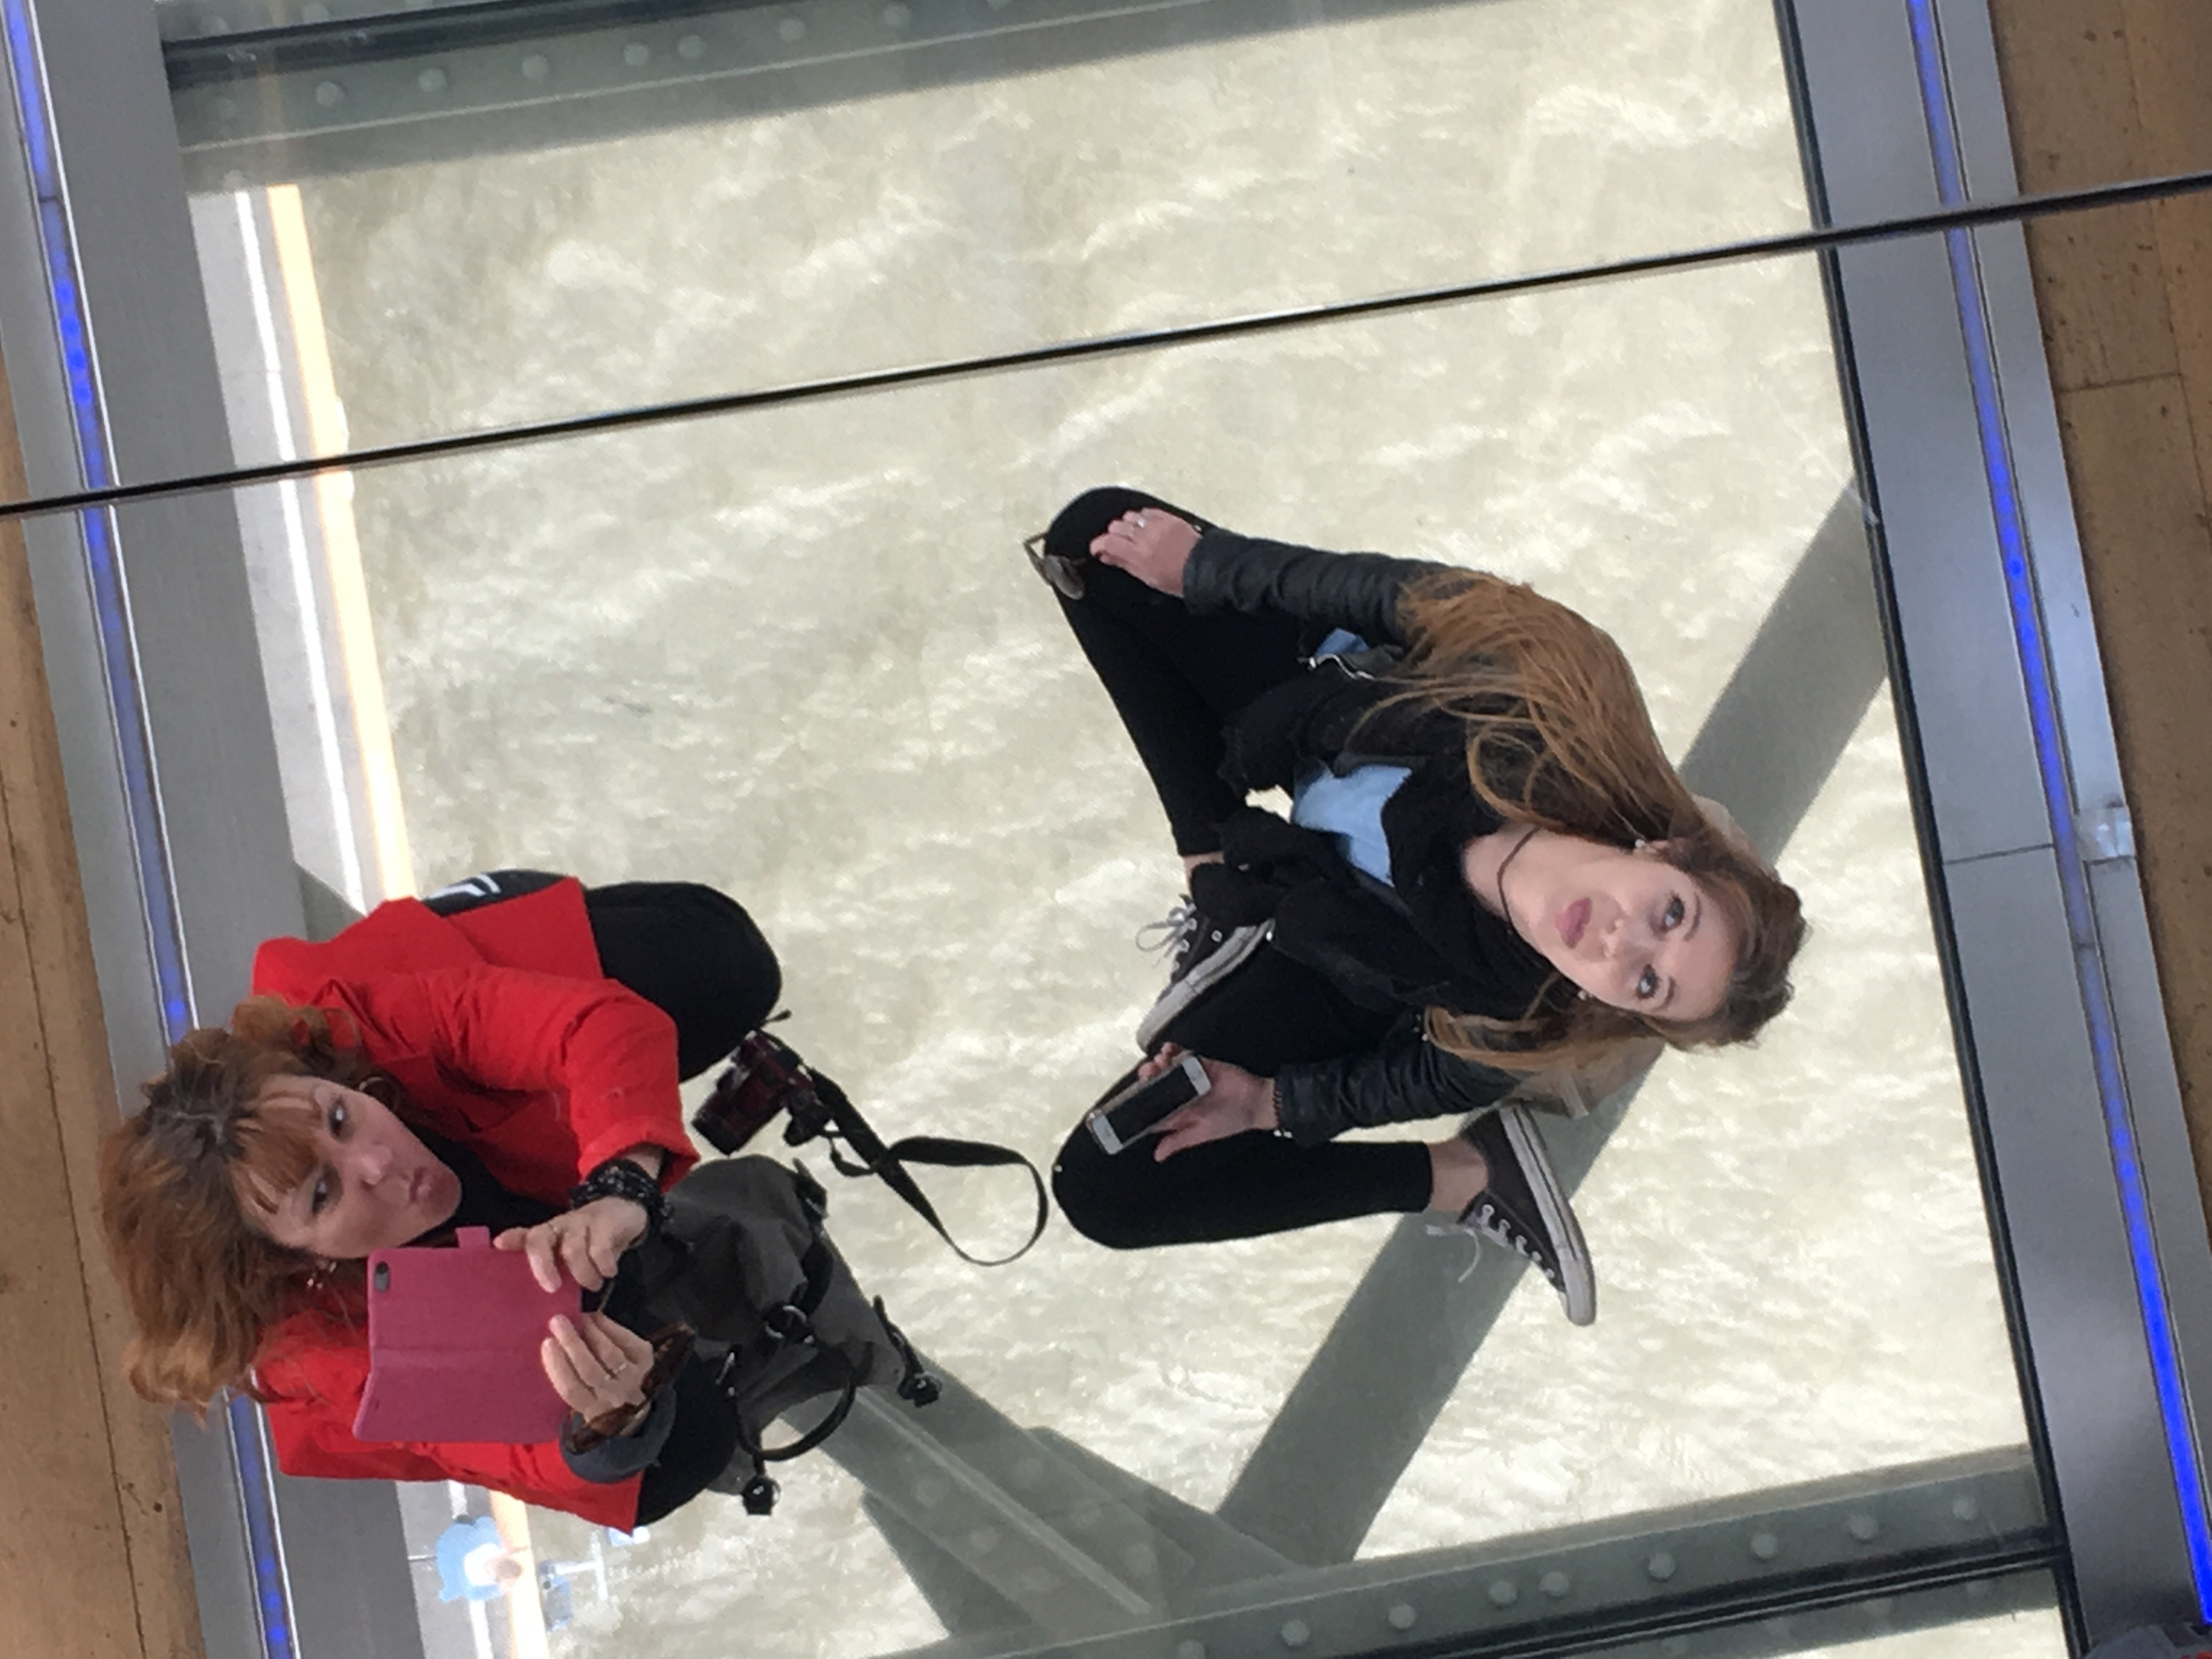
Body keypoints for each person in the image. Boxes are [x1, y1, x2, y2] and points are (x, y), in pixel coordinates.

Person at [1037, 487, 1808, 1325]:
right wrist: (1206, 567)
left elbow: (1419, 1079)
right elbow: (1378, 592)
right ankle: (1215, 870)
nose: (1624, 946)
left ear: (1615, 1005)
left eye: (1649, 984)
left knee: (1108, 1189)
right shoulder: (1554, 689)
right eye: (1670, 916)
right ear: (1662, 853)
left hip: (1356, 938)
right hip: (1335, 708)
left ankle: (1472, 1174)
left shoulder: (1520, 1016)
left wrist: (1268, 1103)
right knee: (1095, 541)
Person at [99, 871, 805, 1528]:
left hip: (448, 1035)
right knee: (684, 1448)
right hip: (442, 1285)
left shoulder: (347, 1021)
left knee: (725, 962)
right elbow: (513, 1454)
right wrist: (608, 1420)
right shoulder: (331, 1357)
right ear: (286, 1262)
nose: (378, 1160)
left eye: (340, 1118)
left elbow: (595, 1024)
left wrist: (622, 1179)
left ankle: (490, 931)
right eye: (323, 1193)